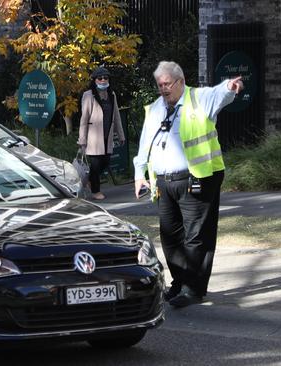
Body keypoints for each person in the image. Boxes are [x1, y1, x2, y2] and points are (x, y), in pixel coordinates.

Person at [133, 61, 244, 308]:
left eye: (167, 84)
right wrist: (139, 173)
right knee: (170, 236)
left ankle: (193, 288)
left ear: (180, 82)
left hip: (197, 178)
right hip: (164, 182)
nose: (163, 89)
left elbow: (220, 92)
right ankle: (179, 282)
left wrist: (230, 86)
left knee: (196, 237)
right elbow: (144, 144)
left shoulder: (199, 98)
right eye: (159, 85)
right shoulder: (154, 109)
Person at [77, 67, 125, 200]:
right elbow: (84, 119)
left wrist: (121, 135)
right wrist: (82, 139)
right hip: (94, 137)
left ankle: (90, 180)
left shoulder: (112, 94)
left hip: (107, 135)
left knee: (106, 162)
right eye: (100, 78)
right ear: (95, 80)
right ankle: (95, 190)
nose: (103, 80)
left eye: (105, 77)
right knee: (96, 164)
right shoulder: (88, 95)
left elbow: (116, 115)